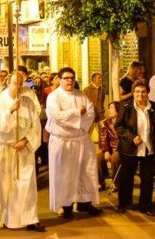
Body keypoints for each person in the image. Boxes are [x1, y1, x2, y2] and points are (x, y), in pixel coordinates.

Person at [0, 73, 45, 232]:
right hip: (7, 149)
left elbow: (35, 126)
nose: (16, 86)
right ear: (7, 82)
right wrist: (10, 111)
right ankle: (9, 218)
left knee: (27, 185)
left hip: (24, 149)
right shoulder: (1, 100)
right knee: (8, 186)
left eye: (19, 83)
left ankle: (31, 218)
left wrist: (25, 141)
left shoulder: (28, 101)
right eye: (13, 83)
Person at [46, 67, 102, 220]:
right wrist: (77, 113)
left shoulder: (81, 95)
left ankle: (85, 202)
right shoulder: (53, 97)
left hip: (81, 140)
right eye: (66, 78)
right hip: (63, 142)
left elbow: (90, 113)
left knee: (86, 172)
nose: (70, 80)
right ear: (59, 79)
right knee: (65, 175)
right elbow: (57, 116)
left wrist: (77, 121)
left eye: (72, 78)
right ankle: (67, 206)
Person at [116, 80, 155, 216]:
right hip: (129, 150)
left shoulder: (153, 107)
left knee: (148, 179)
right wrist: (132, 136)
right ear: (133, 93)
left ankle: (146, 206)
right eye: (137, 91)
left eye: (143, 91)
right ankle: (123, 203)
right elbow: (119, 126)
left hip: (149, 149)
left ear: (147, 93)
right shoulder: (126, 107)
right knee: (127, 178)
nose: (140, 94)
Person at [97, 101, 121, 191]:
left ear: (118, 110)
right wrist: (106, 150)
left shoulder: (123, 121)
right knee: (98, 158)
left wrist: (116, 150)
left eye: (112, 108)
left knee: (115, 158)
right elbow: (104, 138)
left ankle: (116, 183)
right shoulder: (107, 122)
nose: (109, 110)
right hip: (110, 148)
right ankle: (101, 183)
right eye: (109, 108)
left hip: (120, 149)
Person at [83, 72, 106, 137]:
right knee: (87, 135)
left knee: (102, 135)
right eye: (99, 78)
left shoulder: (102, 89)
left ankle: (101, 147)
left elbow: (102, 101)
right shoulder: (86, 90)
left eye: (101, 78)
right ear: (93, 79)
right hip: (90, 116)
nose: (101, 79)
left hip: (100, 116)